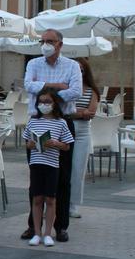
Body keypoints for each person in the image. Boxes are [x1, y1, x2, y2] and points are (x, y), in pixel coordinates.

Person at [21, 30, 82, 242]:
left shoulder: (72, 66)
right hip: (37, 121)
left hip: (62, 121)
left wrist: (46, 93)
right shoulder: (34, 64)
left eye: (50, 41)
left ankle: (60, 225)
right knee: (36, 175)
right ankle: (34, 226)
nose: (45, 44)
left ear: (60, 44)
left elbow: (76, 91)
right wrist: (56, 87)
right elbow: (29, 86)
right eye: (43, 41)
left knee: (63, 177)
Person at [23, 88, 74, 246]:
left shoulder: (61, 123)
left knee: (51, 199)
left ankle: (48, 233)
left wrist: (56, 143)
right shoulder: (33, 121)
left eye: (48, 102)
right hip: (36, 164)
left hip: (52, 165)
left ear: (54, 104)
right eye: (41, 102)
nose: (44, 105)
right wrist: (31, 144)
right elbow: (27, 143)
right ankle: (37, 232)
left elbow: (67, 146)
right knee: (37, 198)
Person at [68, 58, 99, 218]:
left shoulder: (91, 90)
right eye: (76, 69)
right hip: (65, 129)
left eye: (81, 69)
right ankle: (57, 202)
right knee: (61, 169)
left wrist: (75, 111)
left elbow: (91, 113)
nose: (78, 72)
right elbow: (62, 110)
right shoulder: (66, 88)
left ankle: (72, 206)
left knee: (78, 170)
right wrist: (81, 111)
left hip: (83, 133)